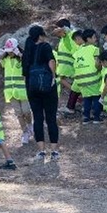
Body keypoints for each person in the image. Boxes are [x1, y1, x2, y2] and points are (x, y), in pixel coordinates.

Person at [22, 24, 60, 161]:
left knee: (37, 118)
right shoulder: (45, 46)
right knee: (50, 118)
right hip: (47, 87)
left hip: (32, 89)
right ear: (40, 36)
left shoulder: (27, 51)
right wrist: (53, 76)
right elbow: (51, 61)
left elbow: (25, 74)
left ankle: (41, 151)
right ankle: (54, 151)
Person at [0, 38, 33, 145]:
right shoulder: (6, 60)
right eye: (8, 50)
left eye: (11, 50)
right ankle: (25, 133)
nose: (9, 52)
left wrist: (20, 55)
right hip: (11, 91)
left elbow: (30, 64)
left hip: (23, 91)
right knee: (19, 114)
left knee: (26, 111)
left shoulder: (22, 57)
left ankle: (30, 125)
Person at [73, 29, 102, 124]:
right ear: (88, 39)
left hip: (80, 80)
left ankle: (86, 117)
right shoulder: (95, 49)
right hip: (93, 78)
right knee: (96, 97)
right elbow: (97, 64)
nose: (96, 39)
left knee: (87, 98)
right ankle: (97, 117)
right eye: (94, 37)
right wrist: (100, 69)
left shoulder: (78, 51)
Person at [53, 18, 80, 114]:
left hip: (69, 67)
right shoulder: (65, 38)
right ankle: (78, 97)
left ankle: (78, 97)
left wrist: (63, 29)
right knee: (73, 84)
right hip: (66, 67)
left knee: (68, 82)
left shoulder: (71, 35)